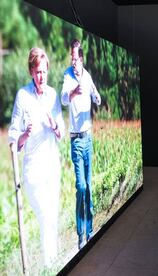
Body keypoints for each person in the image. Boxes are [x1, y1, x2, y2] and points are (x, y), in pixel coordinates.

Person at [9, 47, 64, 267]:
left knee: (53, 216)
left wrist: (55, 125)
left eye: (44, 71)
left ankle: (55, 264)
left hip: (52, 165)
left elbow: (61, 130)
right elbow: (13, 137)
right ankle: (51, 266)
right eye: (37, 72)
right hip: (33, 171)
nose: (41, 76)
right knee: (46, 217)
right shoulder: (22, 95)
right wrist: (24, 135)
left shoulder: (52, 95)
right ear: (31, 71)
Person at [61, 39, 101, 250]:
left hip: (88, 138)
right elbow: (63, 98)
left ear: (82, 58)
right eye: (72, 58)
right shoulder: (68, 76)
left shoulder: (87, 76)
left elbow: (97, 98)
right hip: (76, 140)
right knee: (81, 187)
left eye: (76, 59)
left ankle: (91, 231)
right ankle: (80, 234)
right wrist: (73, 92)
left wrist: (95, 94)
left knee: (89, 186)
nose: (74, 62)